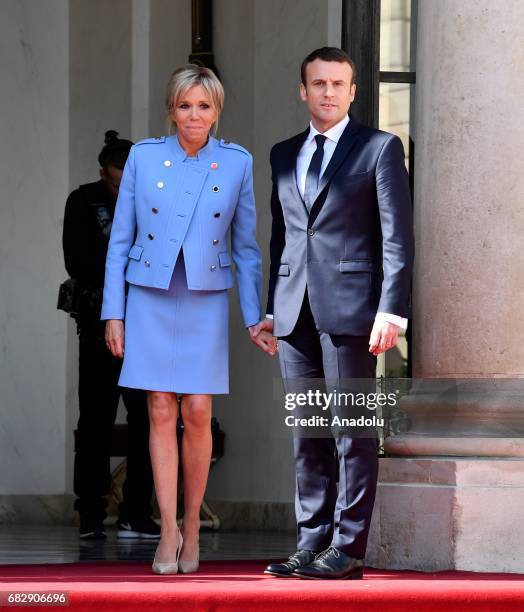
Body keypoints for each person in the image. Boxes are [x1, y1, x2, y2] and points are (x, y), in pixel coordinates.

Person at [101, 65, 273, 575]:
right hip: (149, 297)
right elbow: (120, 241)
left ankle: (193, 522)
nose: (193, 116)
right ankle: (168, 528)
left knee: (197, 411)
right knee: (158, 409)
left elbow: (246, 248)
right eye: (184, 106)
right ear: (170, 109)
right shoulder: (143, 156)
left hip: (204, 299)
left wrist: (252, 318)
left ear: (217, 111)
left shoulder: (237, 163)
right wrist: (114, 312)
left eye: (203, 106)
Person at [255, 47, 414, 580]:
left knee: (351, 430)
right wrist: (272, 309)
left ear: (352, 92)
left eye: (337, 84)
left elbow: (397, 237)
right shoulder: (282, 153)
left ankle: (347, 548)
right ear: (303, 90)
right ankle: (311, 542)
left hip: (353, 310)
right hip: (293, 310)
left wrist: (392, 310)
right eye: (317, 84)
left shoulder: (379, 148)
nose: (327, 92)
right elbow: (284, 238)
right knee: (308, 431)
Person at [62, 131, 159, 540]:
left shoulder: (151, 198)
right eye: (116, 183)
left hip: (146, 324)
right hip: (99, 323)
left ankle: (136, 511)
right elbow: (79, 261)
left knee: (148, 420)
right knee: (96, 420)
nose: (122, 190)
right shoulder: (83, 201)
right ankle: (89, 512)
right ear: (103, 174)